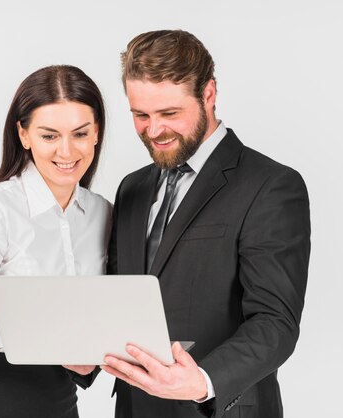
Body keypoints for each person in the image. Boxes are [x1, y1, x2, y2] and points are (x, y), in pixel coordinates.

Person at [100, 30, 311, 418]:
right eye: (140, 115)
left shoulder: (271, 185)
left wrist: (203, 381)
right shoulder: (132, 188)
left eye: (170, 113)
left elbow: (275, 321)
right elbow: (120, 300)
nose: (154, 130)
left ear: (209, 94)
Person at [0, 65, 112, 418]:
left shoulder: (103, 215)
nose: (66, 151)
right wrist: (42, 333)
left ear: (96, 134)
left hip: (58, 404)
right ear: (24, 134)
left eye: (79, 133)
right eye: (49, 136)